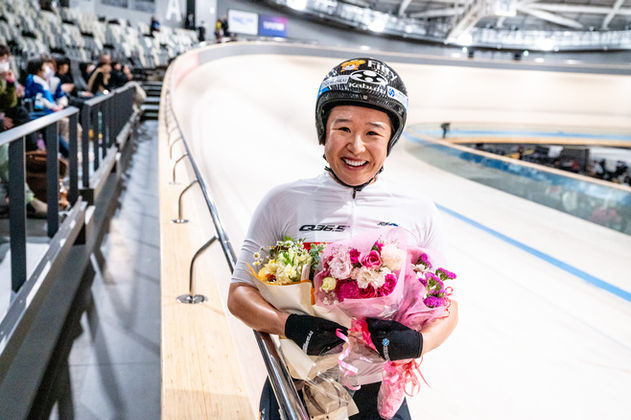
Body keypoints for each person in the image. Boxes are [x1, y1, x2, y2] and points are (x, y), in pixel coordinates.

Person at [227, 58, 459, 419]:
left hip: (379, 391)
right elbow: (239, 294)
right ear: (324, 132)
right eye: (343, 128)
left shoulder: (417, 210)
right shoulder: (282, 202)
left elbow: (446, 306)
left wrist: (418, 343)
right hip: (300, 381)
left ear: (390, 140)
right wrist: (288, 325)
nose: (356, 146)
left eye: (373, 133)